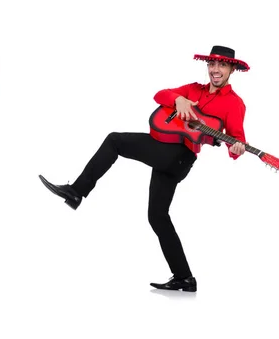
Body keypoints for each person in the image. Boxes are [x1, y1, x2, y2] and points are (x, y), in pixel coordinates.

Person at [39, 45, 249, 292]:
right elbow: (160, 95)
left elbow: (237, 141)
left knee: (115, 141)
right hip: (164, 148)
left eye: (222, 65)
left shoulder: (234, 104)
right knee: (157, 217)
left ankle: (77, 191)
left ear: (231, 69)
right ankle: (184, 278)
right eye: (212, 64)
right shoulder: (193, 89)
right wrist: (179, 99)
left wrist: (236, 149)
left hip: (179, 157)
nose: (215, 70)